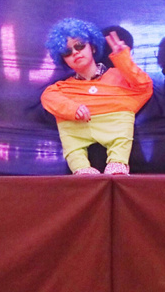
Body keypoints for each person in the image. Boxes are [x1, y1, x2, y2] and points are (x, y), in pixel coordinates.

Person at [40, 18, 153, 175]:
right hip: (82, 164)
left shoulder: (120, 78)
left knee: (123, 122)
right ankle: (80, 167)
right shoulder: (62, 89)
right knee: (70, 139)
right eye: (67, 52)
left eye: (80, 45)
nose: (75, 52)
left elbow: (144, 87)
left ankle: (117, 162)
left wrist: (123, 59)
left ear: (92, 47)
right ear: (63, 60)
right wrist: (72, 109)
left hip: (126, 160)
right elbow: (48, 97)